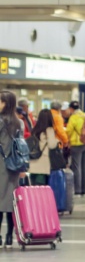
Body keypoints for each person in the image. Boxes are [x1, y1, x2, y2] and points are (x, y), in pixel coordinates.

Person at [0, 90, 23, 248]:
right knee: (11, 202)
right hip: (14, 165)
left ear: (6, 103)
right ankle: (9, 236)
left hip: (1, 164)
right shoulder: (18, 122)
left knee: (0, 201)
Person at [65, 101, 85, 196]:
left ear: (71, 109)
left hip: (76, 144)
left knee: (76, 167)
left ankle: (78, 189)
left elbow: (68, 131)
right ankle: (84, 189)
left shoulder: (73, 118)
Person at [27, 109, 60, 186]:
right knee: (41, 188)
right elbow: (52, 145)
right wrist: (57, 141)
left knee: (33, 187)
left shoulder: (35, 129)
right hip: (42, 163)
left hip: (33, 163)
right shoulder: (49, 130)